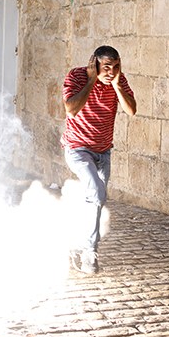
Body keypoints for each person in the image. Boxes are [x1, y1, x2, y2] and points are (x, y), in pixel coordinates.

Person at [61, 45, 136, 274]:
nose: (111, 72)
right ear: (94, 64)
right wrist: (92, 80)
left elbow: (131, 110)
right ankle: (89, 253)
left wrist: (116, 84)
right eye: (106, 67)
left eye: (115, 67)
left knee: (95, 202)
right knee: (96, 193)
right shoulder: (77, 76)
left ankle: (78, 243)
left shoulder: (117, 81)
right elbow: (71, 109)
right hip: (77, 148)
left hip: (103, 152)